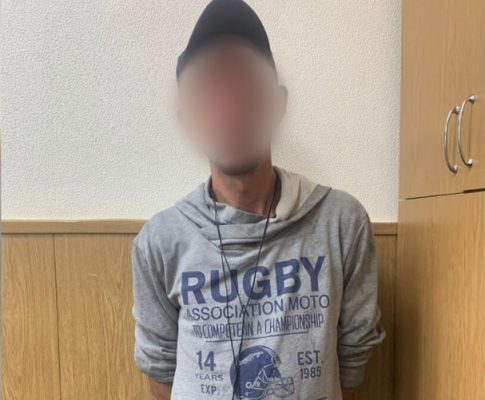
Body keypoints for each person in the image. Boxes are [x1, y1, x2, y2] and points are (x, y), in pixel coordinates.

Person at [131, 1, 386, 399]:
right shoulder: (160, 241)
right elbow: (160, 370)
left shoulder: (341, 223)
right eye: (208, 90)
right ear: (188, 121)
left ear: (277, 103)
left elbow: (352, 363)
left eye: (244, 83)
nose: (228, 106)